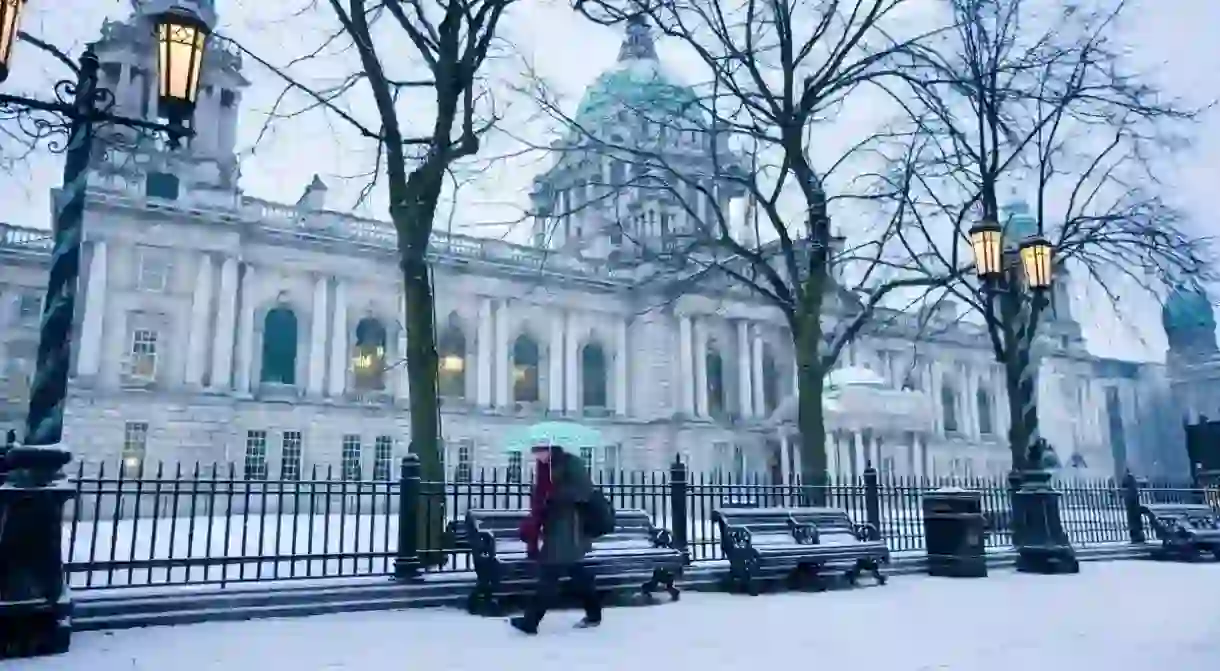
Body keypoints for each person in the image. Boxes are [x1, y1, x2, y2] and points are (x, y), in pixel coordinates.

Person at [510, 443, 602, 634]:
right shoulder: (546, 468)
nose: (537, 456)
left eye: (540, 452)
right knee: (577, 573)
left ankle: (530, 622)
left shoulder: (571, 463)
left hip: (570, 527)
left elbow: (584, 492)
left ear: (551, 449)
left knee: (549, 574)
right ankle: (594, 613)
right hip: (554, 527)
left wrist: (555, 495)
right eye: (535, 452)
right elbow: (541, 497)